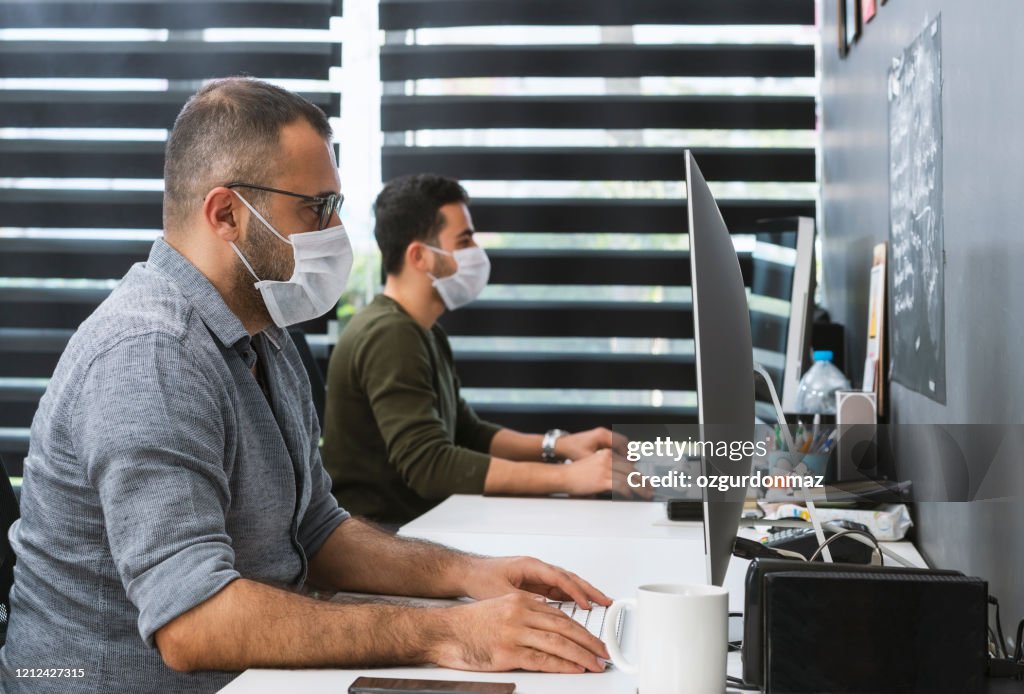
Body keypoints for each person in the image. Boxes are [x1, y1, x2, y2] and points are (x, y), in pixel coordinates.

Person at [0, 78, 611, 694]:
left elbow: (316, 530)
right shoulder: (151, 356)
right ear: (226, 214)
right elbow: (194, 624)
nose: (336, 230)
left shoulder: (263, 332)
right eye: (316, 207)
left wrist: (473, 575)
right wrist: (448, 633)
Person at [322, 174, 645, 526]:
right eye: (465, 240)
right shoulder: (390, 335)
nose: (477, 251)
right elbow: (430, 466)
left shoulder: (421, 332)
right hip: (388, 542)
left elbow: (466, 432)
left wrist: (559, 446)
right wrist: (568, 478)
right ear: (420, 256)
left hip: (422, 528)